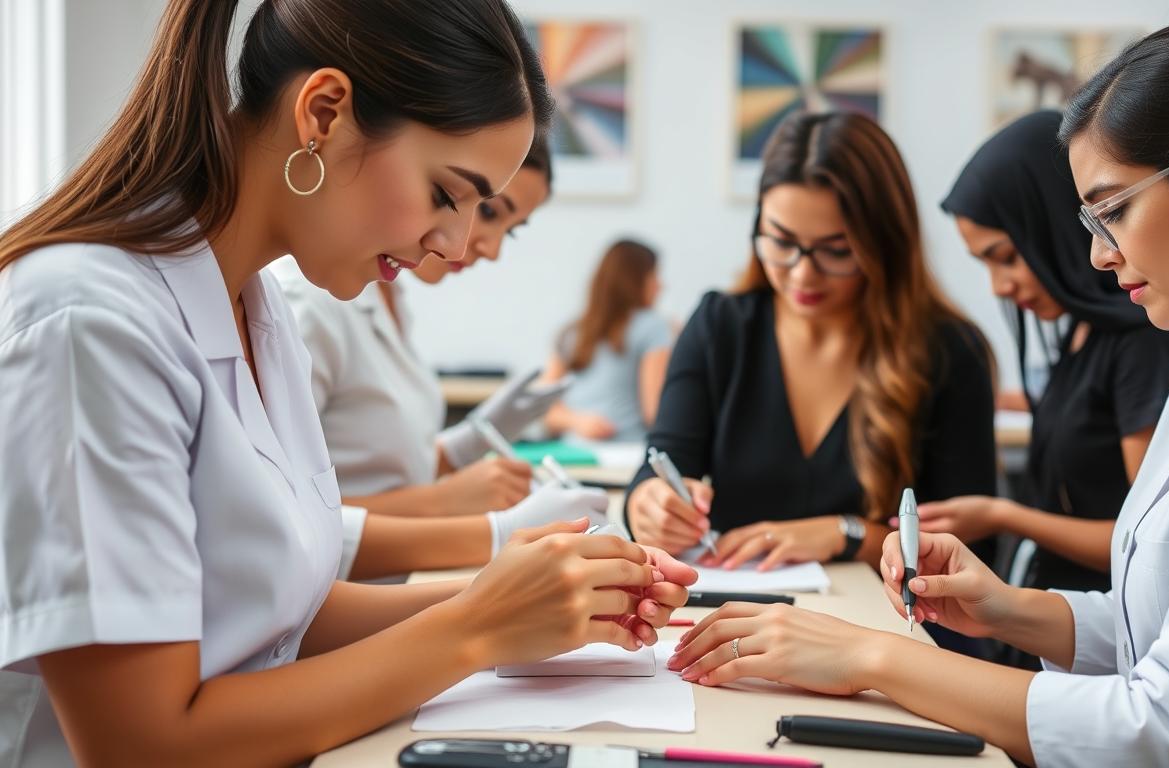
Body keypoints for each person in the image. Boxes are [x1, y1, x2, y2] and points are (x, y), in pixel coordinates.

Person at [0, 1, 691, 764]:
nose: (455, 244)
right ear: (323, 113)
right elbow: (141, 744)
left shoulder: (255, 308)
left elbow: (276, 614)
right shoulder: (88, 319)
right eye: (446, 193)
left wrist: (538, 597)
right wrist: (477, 625)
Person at [670, 12, 1169, 766]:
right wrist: (1010, 610)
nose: (1095, 254)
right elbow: (1156, 629)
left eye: (1114, 211)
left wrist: (873, 658)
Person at [625, 110, 998, 578]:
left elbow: (971, 548)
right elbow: (659, 465)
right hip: (736, 618)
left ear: (883, 243)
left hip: (884, 634)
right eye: (781, 242)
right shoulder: (720, 326)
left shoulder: (948, 351)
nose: (802, 274)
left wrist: (848, 533)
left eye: (835, 251)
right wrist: (649, 506)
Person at [273, 139, 593, 580]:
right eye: (491, 212)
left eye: (512, 229)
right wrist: (459, 511)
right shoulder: (307, 303)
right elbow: (277, 520)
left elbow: (368, 462)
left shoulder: (388, 293)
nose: (490, 249)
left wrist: (467, 444)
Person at [932, 110, 1169, 602]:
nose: (1000, 287)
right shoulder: (1085, 334)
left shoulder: (1144, 342)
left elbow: (1148, 541)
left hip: (1105, 636)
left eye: (1006, 257)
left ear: (1054, 228)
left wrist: (1003, 514)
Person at [542, 238, 673, 443]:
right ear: (635, 280)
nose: (661, 285)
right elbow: (654, 413)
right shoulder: (654, 326)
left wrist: (577, 421)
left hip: (574, 453)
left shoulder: (573, 332)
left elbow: (544, 409)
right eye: (654, 275)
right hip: (627, 452)